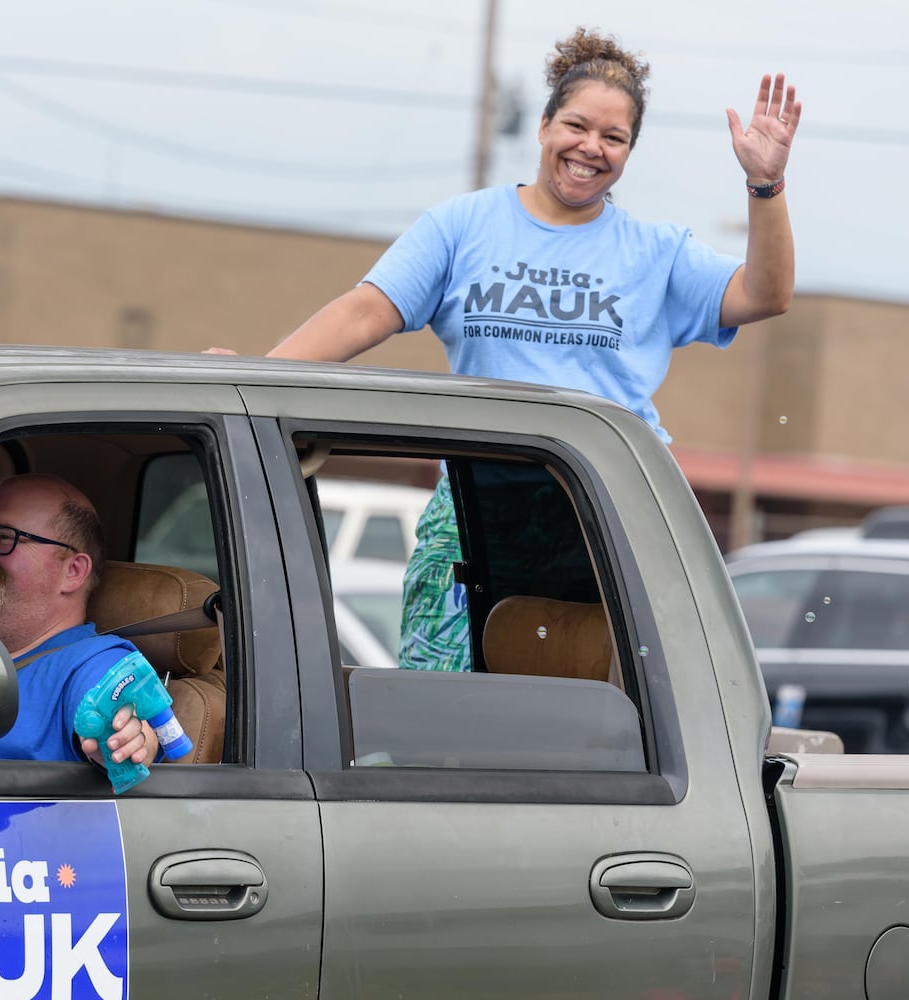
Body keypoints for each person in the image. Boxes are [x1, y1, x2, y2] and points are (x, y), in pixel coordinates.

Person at [214, 27, 801, 673]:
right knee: (436, 700)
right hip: (476, 505)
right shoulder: (463, 225)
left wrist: (765, 187)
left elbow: (765, 294)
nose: (591, 148)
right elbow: (365, 310)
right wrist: (251, 381)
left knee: (612, 707)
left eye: (615, 137)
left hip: (610, 504)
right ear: (546, 125)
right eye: (577, 125)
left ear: (630, 151)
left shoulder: (657, 252)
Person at [0, 473, 160, 766]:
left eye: (4, 537)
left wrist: (125, 739)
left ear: (74, 571)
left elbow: (123, 715)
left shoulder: (91, 663)